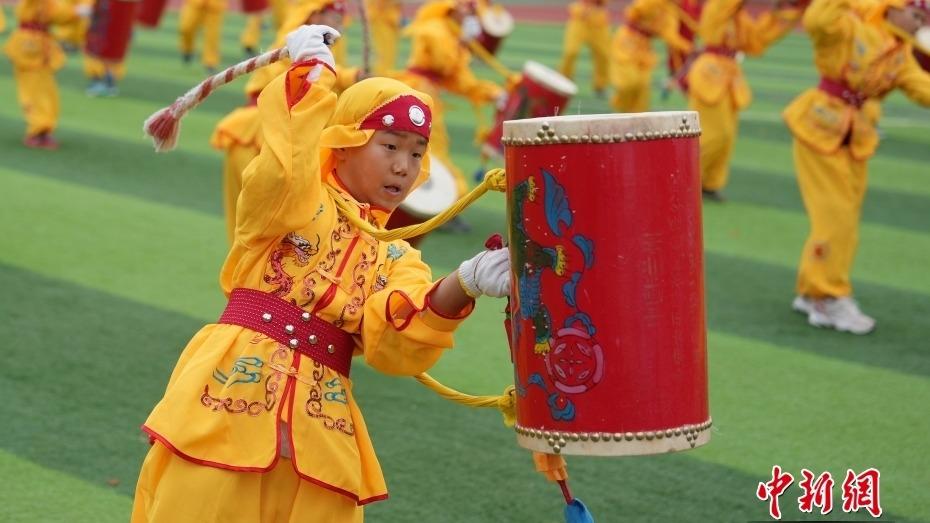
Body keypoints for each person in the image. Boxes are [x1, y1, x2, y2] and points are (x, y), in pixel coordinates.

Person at [131, 25, 512, 522]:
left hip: (321, 420)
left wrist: (465, 281)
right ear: (347, 144)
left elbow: (395, 341)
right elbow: (282, 170)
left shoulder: (398, 256)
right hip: (230, 389)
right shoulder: (299, 198)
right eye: (390, 146)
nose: (404, 166)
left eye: (417, 153)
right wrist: (310, 79)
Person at [784, 0, 930, 334]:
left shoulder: (900, 53)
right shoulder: (852, 26)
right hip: (820, 127)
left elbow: (923, 89)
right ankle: (826, 296)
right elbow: (819, 19)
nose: (917, 22)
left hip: (854, 136)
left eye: (922, 18)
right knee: (834, 215)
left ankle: (813, 290)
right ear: (892, 7)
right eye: (914, 14)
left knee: (845, 218)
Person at [397, 0, 503, 232]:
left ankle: (437, 204)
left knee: (431, 149)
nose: (470, 12)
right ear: (452, 7)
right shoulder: (435, 28)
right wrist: (462, 43)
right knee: (433, 151)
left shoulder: (450, 31)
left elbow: (460, 80)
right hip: (418, 94)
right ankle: (441, 207)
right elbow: (442, 63)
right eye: (466, 7)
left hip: (427, 95)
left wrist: (492, 93)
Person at [687, 0, 802, 200]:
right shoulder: (717, 6)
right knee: (716, 134)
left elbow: (757, 41)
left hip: (729, 75)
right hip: (710, 72)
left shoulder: (739, 18)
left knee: (728, 135)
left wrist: (782, 14)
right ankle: (687, 180)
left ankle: (709, 183)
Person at [3, 0, 87, 148]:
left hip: (40, 45)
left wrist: (76, 12)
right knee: (34, 90)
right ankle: (37, 130)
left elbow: (57, 15)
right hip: (28, 46)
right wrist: (76, 12)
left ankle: (43, 128)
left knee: (45, 90)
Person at [609, 0, 693, 112]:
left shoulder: (671, 13)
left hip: (644, 48)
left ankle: (637, 123)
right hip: (628, 41)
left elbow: (671, 37)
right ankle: (621, 110)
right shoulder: (652, 2)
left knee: (642, 88)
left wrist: (690, 49)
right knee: (628, 82)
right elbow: (632, 13)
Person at [559, 0, 611, 97]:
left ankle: (600, 86)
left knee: (604, 55)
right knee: (571, 51)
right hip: (580, 18)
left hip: (598, 20)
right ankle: (563, 81)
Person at [178, 0, 225, 72]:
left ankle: (210, 63)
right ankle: (188, 49)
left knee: (212, 36)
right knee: (186, 28)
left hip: (214, 5)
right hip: (195, 3)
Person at [365, 0, 402, 74]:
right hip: (382, 20)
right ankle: (381, 77)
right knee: (384, 55)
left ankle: (383, 76)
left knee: (388, 55)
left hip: (387, 20)